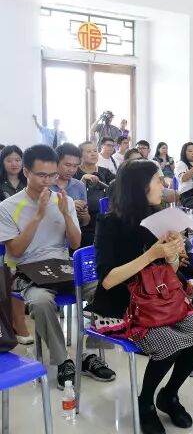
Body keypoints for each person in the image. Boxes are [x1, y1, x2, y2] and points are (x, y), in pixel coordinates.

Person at [92, 160, 193, 433]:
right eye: (158, 180)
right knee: (170, 344)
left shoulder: (159, 218)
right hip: (122, 305)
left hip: (158, 300)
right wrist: (151, 254)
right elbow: (108, 280)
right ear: (139, 186)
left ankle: (168, 395)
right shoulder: (109, 222)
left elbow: (168, 272)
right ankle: (145, 402)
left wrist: (173, 254)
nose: (164, 185)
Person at [0, 145, 116, 388]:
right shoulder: (8, 207)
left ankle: (87, 354)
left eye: (52, 175)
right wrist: (38, 215)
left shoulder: (64, 201)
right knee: (41, 302)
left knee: (106, 286)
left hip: (61, 267)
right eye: (41, 175)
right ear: (26, 172)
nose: (48, 181)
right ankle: (64, 361)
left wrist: (65, 214)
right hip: (26, 269)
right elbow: (16, 251)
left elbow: (75, 243)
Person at [0, 145, 31, 344]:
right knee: (5, 281)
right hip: (4, 237)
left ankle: (18, 321)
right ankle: (7, 323)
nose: (14, 164)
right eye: (9, 160)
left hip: (26, 237)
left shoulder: (28, 183)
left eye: (18, 159)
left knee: (18, 279)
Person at [75, 142, 116, 246]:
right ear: (80, 155)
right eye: (89, 151)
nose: (93, 154)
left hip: (104, 222)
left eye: (95, 151)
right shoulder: (75, 173)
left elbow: (116, 187)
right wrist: (83, 180)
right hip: (83, 226)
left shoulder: (105, 172)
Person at [51, 143, 90, 228]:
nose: (71, 170)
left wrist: (84, 215)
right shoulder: (45, 184)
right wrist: (70, 205)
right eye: (67, 165)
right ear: (56, 162)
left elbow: (85, 222)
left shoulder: (79, 185)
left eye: (75, 166)